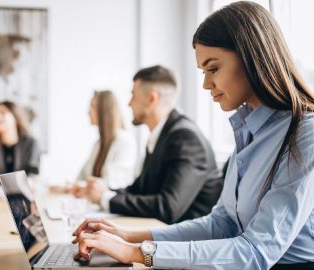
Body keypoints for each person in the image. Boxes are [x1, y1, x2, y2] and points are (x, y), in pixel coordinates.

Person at [71, 2, 314, 269]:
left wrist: (136, 252)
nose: (206, 84)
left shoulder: (305, 133)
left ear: (251, 59)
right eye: (203, 72)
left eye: (213, 69)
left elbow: (255, 252)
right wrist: (127, 237)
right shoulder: (249, 131)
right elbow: (220, 224)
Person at [74, 65, 222, 224]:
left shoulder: (186, 138)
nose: (129, 103)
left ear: (152, 99)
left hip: (189, 242)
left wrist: (105, 198)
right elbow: (139, 190)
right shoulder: (161, 135)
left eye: (133, 95)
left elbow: (168, 207)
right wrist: (103, 192)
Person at [51, 90, 137, 193]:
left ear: (104, 110)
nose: (88, 112)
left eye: (93, 106)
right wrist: (67, 187)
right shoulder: (99, 144)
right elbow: (82, 176)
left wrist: (74, 187)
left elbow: (111, 183)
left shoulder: (125, 141)